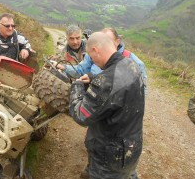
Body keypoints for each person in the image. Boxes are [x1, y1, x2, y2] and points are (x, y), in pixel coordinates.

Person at [69, 32, 145, 179]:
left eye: (91, 57)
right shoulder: (132, 65)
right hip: (132, 146)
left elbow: (81, 115)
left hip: (110, 156)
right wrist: (93, 78)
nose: (93, 61)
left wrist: (77, 86)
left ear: (96, 50)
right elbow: (116, 91)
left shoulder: (106, 81)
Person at [55, 27, 147, 90]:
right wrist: (64, 67)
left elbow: (141, 93)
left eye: (109, 41)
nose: (106, 45)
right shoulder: (92, 55)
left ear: (117, 41)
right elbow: (81, 70)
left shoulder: (134, 62)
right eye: (103, 41)